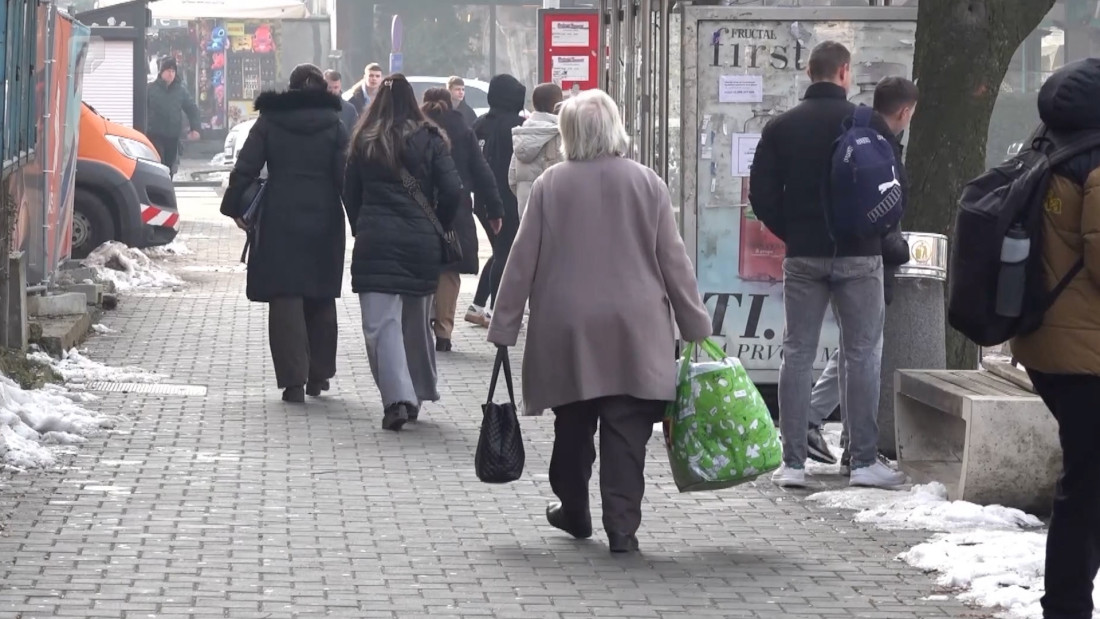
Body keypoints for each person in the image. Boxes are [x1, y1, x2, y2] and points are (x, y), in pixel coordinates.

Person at [487, 89, 712, 554]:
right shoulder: (648, 183)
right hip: (636, 329)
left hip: (568, 330)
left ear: (568, 133)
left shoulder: (551, 185)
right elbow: (674, 262)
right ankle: (622, 529)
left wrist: (504, 325)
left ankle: (574, 509)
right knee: (626, 434)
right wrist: (695, 326)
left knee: (572, 425)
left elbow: (521, 260)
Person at [749, 41, 907, 490]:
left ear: (807, 71)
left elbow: (761, 196)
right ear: (843, 72)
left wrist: (793, 232)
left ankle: (794, 463)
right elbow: (892, 188)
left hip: (803, 256)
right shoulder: (866, 122)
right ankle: (861, 463)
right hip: (860, 255)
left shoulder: (780, 127)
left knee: (796, 353)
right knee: (861, 354)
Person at [1010, 57, 1100, 619]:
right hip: (1087, 352)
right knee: (1086, 490)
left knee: (1087, 482)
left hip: (1045, 345)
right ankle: (1065, 606)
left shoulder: (1041, 149)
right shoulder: (1096, 162)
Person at [806, 76, 918, 468]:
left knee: (853, 351)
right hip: (866, 260)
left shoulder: (857, 134)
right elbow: (888, 211)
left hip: (841, 253)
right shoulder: (882, 146)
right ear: (905, 111)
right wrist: (899, 249)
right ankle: (847, 444)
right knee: (862, 352)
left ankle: (848, 441)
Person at [219, 63, 348, 404]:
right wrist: (362, 220)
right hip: (324, 216)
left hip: (280, 215)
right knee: (320, 292)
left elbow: (246, 166)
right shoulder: (334, 124)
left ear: (290, 89)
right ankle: (319, 375)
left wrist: (233, 206)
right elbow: (346, 176)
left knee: (286, 295)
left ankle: (293, 381)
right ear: (322, 89)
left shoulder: (270, 121)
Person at [343, 74, 465, 431]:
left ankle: (397, 398)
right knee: (416, 324)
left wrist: (360, 224)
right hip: (420, 241)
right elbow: (453, 189)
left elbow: (349, 191)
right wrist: (437, 222)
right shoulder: (431, 139)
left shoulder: (364, 141)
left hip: (375, 239)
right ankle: (419, 392)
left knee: (381, 325)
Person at [420, 88, 503, 352]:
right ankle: (444, 331)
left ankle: (421, 325)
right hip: (456, 207)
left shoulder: (414, 128)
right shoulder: (463, 129)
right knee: (449, 269)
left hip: (419, 206)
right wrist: (494, 210)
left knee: (423, 266)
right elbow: (481, 171)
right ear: (449, 102)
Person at [465, 74, 526, 328]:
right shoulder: (516, 126)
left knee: (500, 251)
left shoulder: (480, 124)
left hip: (481, 201)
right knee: (505, 253)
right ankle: (495, 310)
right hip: (506, 200)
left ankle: (478, 305)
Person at [509, 83, 564, 217]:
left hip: (527, 213)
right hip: (556, 213)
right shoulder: (560, 134)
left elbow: (512, 178)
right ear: (557, 105)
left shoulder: (523, 133)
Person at [147, 56, 201, 176]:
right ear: (162, 72)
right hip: (154, 136)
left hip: (173, 137)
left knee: (170, 168)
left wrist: (195, 128)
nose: (170, 74)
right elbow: (141, 109)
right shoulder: (151, 89)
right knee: (158, 165)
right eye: (168, 71)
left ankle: (166, 190)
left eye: (173, 71)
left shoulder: (180, 90)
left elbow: (192, 109)